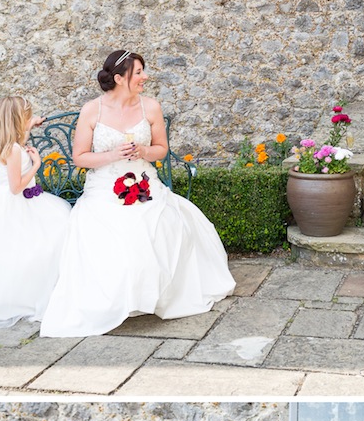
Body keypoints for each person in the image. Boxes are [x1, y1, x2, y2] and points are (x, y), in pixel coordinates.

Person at [39, 49, 235, 337]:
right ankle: (120, 300)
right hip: (104, 188)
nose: (145, 77)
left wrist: (143, 151)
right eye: (139, 73)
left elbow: (161, 150)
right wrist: (111, 155)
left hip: (145, 182)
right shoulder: (92, 110)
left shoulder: (150, 107)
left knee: (164, 223)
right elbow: (80, 157)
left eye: (144, 71)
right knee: (113, 232)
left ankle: (155, 296)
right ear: (119, 78)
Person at [0, 94, 71, 328]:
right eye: (26, 117)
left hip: (9, 204)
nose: (29, 120)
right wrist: (36, 165)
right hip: (17, 204)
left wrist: (33, 123)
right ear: (16, 120)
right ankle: (30, 296)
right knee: (43, 242)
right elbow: (15, 187)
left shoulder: (8, 143)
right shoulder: (14, 149)